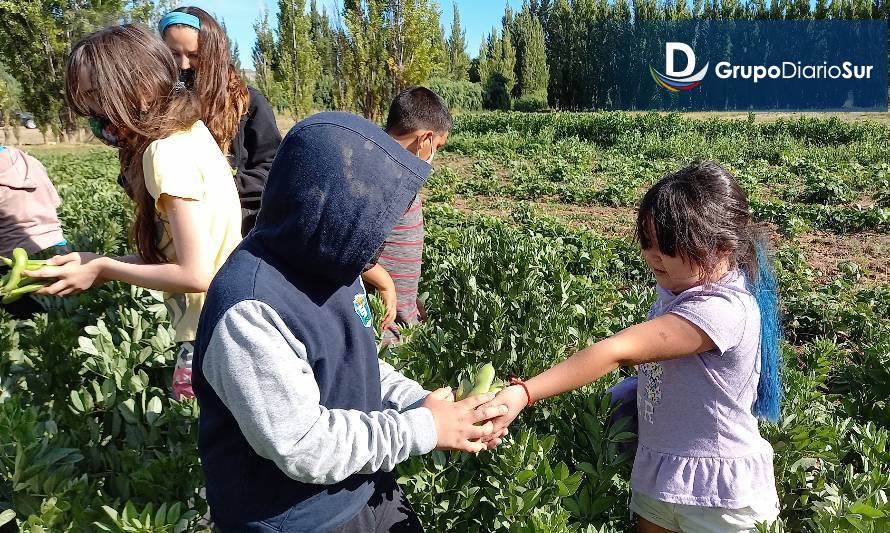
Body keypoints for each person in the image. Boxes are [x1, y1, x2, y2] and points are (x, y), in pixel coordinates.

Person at [191, 111, 506, 531]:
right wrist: (422, 428)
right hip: (297, 518)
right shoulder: (248, 309)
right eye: (371, 217)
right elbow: (304, 445)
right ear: (324, 208)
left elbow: (357, 366)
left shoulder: (330, 262)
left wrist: (424, 404)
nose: (383, 233)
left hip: (362, 485)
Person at [488, 161, 783, 532]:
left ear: (721, 246)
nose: (654, 257)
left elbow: (617, 351)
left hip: (719, 495)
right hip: (660, 478)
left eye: (669, 246)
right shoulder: (679, 286)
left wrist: (524, 393)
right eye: (648, 243)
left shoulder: (723, 310)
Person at [28, 25, 242, 402]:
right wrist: (99, 261)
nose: (93, 114)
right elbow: (184, 255)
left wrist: (105, 269)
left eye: (97, 96)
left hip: (211, 329)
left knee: (199, 433)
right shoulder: (190, 131)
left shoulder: (165, 154)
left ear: (139, 84)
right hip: (228, 313)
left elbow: (196, 274)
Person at [159, 6, 281, 236]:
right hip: (176, 226)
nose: (183, 65)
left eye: (193, 55)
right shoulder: (161, 103)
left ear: (212, 54)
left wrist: (220, 190)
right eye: (174, 54)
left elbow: (272, 168)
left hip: (241, 226)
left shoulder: (248, 102)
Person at [361, 86, 451, 343]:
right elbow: (349, 246)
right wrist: (385, 283)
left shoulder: (393, 170)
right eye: (438, 146)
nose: (435, 154)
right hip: (382, 325)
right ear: (425, 140)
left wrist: (411, 302)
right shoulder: (380, 177)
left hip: (403, 316)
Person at [0, 146, 69, 319]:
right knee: (56, 316)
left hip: (13, 262)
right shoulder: (29, 161)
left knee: (19, 323)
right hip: (58, 252)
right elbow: (54, 202)